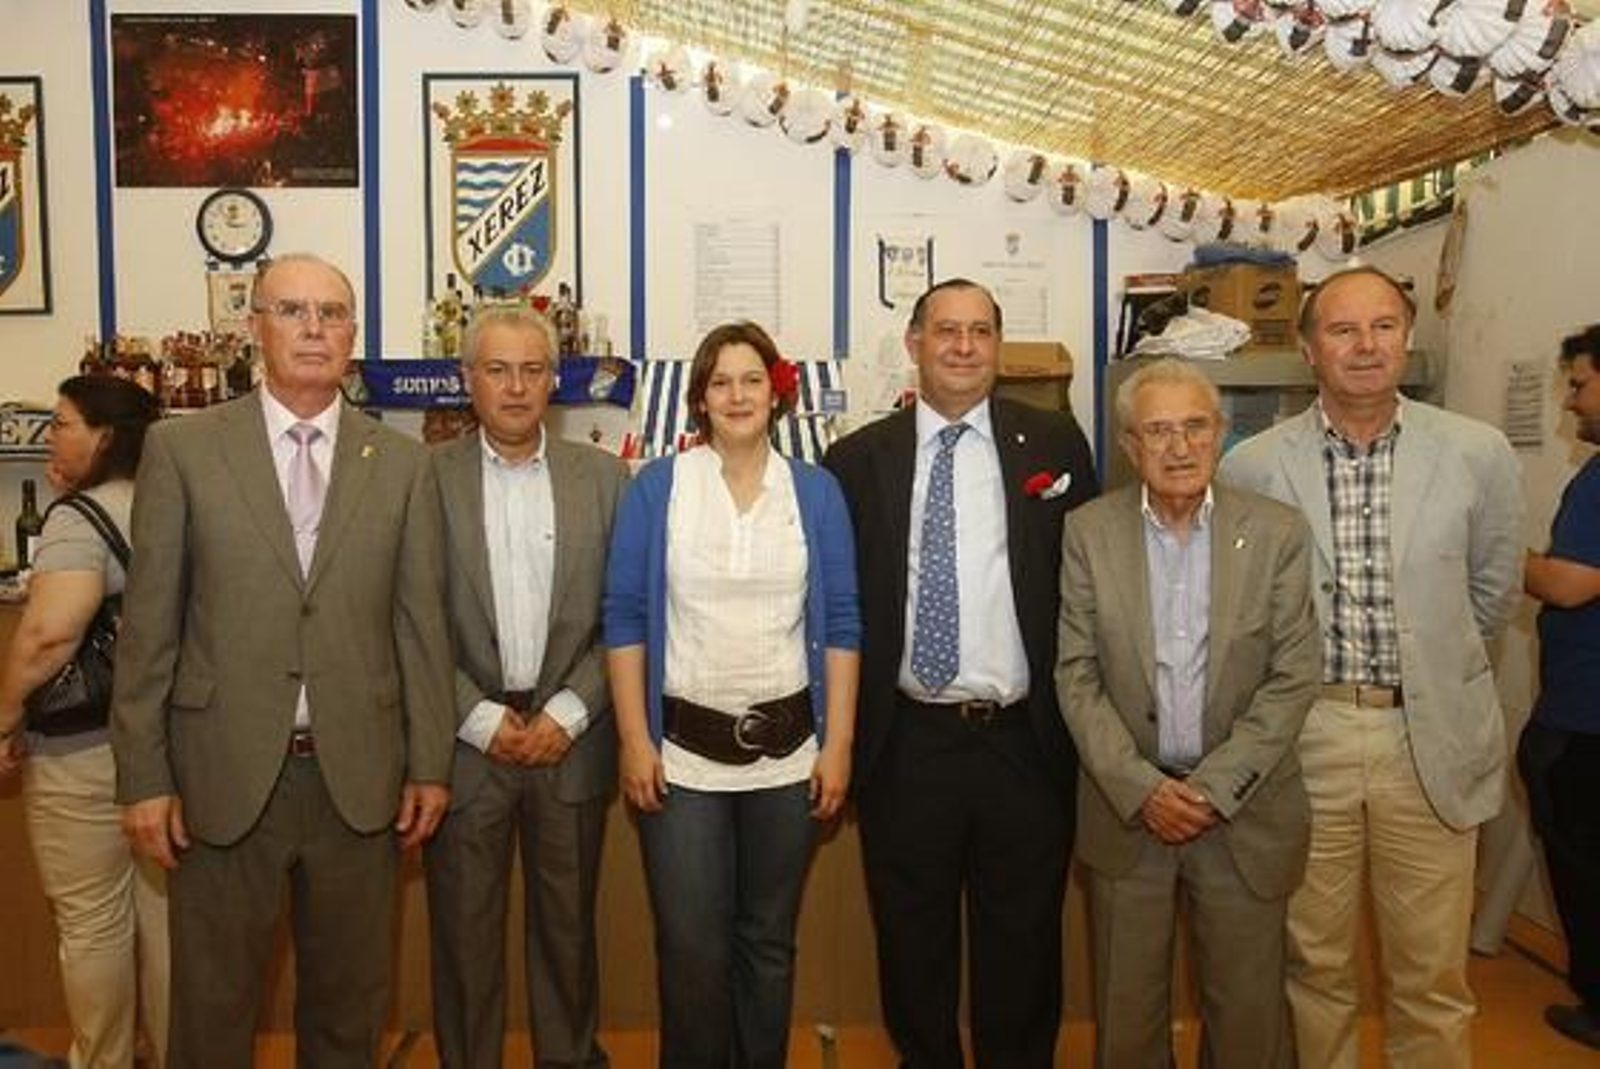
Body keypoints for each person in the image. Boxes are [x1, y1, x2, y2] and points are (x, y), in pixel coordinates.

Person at [112, 253, 455, 1069]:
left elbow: (420, 627)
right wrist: (144, 776)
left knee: (348, 1011)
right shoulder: (184, 449)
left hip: (359, 782)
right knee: (212, 1013)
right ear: (254, 325)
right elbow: (149, 626)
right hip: (220, 775)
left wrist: (431, 763)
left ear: (353, 336)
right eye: (293, 310)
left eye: (332, 314)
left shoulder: (403, 464)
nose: (313, 329)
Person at [1220, 265, 1522, 1067]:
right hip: (1305, 734)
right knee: (1315, 960)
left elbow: (1490, 596)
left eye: (1383, 326)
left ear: (1407, 337)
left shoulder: (1477, 453)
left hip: (1428, 738)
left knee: (1430, 971)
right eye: (1342, 330)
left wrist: (1428, 670)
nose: (1365, 345)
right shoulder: (1253, 465)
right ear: (1310, 350)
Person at [823, 278, 1098, 1068]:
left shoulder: (1054, 446)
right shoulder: (856, 459)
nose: (964, 346)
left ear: (998, 347)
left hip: (1024, 741)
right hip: (907, 742)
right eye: (947, 330)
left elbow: (1088, 582)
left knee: (1024, 947)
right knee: (913, 947)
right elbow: (839, 605)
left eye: (981, 331)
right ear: (914, 343)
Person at [604, 320, 860, 1068]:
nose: (738, 394)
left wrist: (837, 742)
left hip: (789, 759)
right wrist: (632, 739)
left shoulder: (814, 491)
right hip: (682, 758)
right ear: (700, 400)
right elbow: (624, 616)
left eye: (752, 379)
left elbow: (843, 619)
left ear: (776, 394)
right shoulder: (658, 487)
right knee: (691, 947)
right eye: (721, 381)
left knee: (768, 942)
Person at [1056, 358, 1320, 1067]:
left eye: (1195, 427)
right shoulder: (1088, 531)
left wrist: (1211, 788)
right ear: (1131, 446)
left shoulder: (1277, 532)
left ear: (1221, 433)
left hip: (1242, 809)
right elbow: (1075, 674)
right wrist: (1144, 789)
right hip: (1129, 812)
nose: (1178, 446)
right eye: (1158, 430)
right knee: (1127, 1016)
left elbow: (1294, 675)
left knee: (1247, 1019)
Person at [426, 306, 626, 1069]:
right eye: (497, 369)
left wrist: (571, 712)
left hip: (570, 740)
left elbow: (625, 612)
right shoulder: (425, 478)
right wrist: (477, 716)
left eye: (532, 369)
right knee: (464, 937)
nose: (515, 387)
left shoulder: (604, 479)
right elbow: (408, 615)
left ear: (556, 380)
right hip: (464, 744)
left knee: (568, 933)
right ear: (466, 379)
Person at [0, 375, 166, 1069]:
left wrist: (4, 713)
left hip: (82, 751)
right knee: (166, 924)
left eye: (63, 422)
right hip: (166, 748)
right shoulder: (169, 504)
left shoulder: (79, 518)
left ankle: (104, 1060)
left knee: (93, 921)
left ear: (102, 436)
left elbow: (48, 634)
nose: (52, 435)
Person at [1518, 323, 1600, 1051]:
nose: (1571, 404)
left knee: (1582, 860)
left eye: (1579, 384)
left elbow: (1571, 583)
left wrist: (1505, 557)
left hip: (1586, 720)